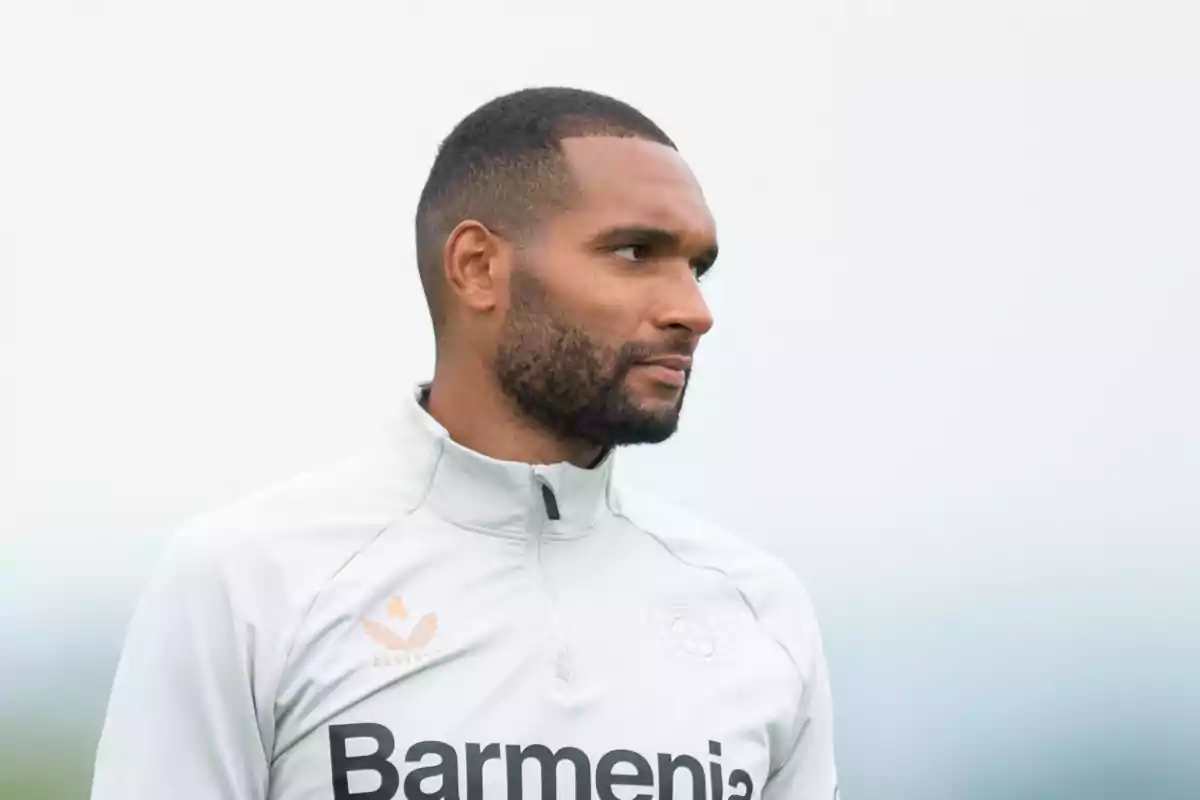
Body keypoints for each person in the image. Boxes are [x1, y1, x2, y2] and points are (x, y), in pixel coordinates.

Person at [91, 86, 840, 799]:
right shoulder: (252, 579)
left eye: (697, 266)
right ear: (479, 267)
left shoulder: (758, 609)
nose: (692, 309)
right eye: (635, 252)